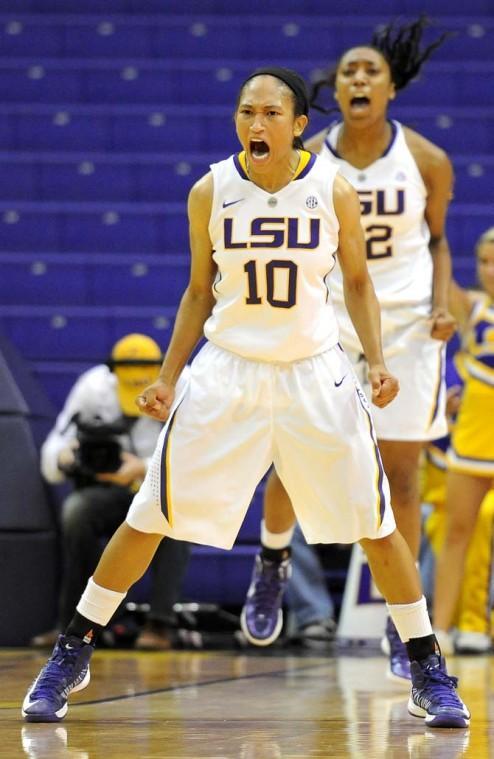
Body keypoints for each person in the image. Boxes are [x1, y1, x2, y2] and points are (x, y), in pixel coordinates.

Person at [22, 66, 469, 729]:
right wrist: (170, 374)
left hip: (315, 373)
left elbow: (357, 283)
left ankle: (426, 664)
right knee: (150, 515)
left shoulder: (331, 189)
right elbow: (199, 291)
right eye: (245, 112)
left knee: (376, 525)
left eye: (270, 113)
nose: (255, 123)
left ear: (297, 126)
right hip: (227, 371)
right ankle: (72, 650)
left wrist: (375, 360)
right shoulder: (210, 190)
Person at [242, 18, 457, 684]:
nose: (359, 79)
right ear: (334, 91)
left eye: (371, 71)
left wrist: (444, 302)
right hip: (329, 322)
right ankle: (272, 563)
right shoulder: (310, 164)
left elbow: (440, 240)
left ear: (391, 88)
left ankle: (406, 626)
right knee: (292, 457)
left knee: (401, 477)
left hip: (408, 330)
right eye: (349, 72)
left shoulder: (425, 159)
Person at [33, 333, 191, 651]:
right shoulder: (93, 387)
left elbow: (198, 457)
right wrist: (67, 457)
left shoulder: (185, 384)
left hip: (161, 485)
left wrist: (142, 467)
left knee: (177, 515)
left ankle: (160, 625)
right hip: (106, 490)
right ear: (112, 375)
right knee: (76, 512)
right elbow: (53, 452)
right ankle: (73, 624)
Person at [432, 227, 494, 650]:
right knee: (456, 534)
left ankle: (478, 624)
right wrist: (433, 229)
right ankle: (438, 631)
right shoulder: (474, 307)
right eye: (485, 261)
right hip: (472, 439)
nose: (490, 270)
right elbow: (440, 273)